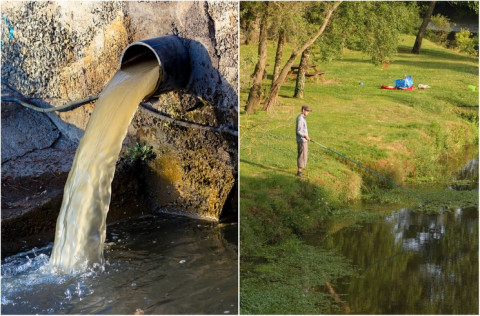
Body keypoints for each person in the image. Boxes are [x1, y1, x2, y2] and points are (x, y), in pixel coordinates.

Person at [296, 105, 311, 177]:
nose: (308, 112)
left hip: (304, 140)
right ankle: (299, 172)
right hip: (301, 140)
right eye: (307, 111)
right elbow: (298, 131)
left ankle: (300, 171)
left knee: (304, 155)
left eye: (308, 111)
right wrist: (305, 136)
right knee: (301, 156)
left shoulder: (303, 118)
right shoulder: (300, 119)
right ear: (303, 110)